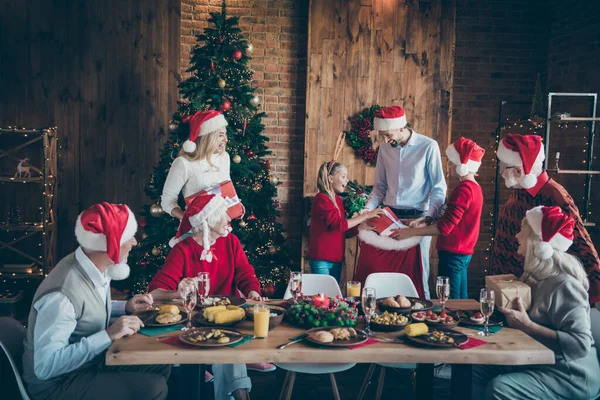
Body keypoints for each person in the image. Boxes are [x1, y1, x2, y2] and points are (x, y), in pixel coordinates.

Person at [22, 203, 171, 400]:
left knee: (163, 361)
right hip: (58, 384)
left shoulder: (91, 267)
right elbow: (46, 367)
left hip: (86, 364)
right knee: (155, 388)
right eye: (128, 237)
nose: (134, 243)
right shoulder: (61, 296)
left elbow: (84, 310)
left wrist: (125, 307)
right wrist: (109, 334)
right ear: (108, 245)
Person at [148, 194, 269, 400]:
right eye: (221, 215)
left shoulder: (231, 241)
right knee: (226, 343)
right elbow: (154, 292)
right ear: (208, 220)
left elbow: (244, 273)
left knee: (228, 340)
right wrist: (177, 292)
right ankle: (238, 395)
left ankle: (239, 395)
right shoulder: (182, 250)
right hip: (194, 319)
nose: (227, 219)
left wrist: (252, 290)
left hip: (227, 317)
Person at [473, 205, 600, 399]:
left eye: (522, 230)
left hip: (570, 375)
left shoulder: (565, 285)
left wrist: (527, 326)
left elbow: (580, 345)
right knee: (474, 367)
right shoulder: (531, 276)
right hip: (536, 359)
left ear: (537, 242)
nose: (516, 236)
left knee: (500, 388)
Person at [492, 133, 600, 305]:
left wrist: (597, 293)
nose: (501, 172)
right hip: (509, 285)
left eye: (503, 167)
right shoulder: (520, 189)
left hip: (535, 292)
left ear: (520, 171)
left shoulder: (555, 195)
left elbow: (582, 244)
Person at [356, 105, 447, 298]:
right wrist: (367, 209)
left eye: (387, 134)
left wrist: (429, 218)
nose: (385, 140)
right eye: (382, 135)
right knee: (386, 272)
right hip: (389, 217)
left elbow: (439, 187)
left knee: (419, 275)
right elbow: (379, 188)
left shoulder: (428, 146)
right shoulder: (384, 149)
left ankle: (422, 314)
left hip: (418, 220)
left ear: (401, 127)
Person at [392, 137, 484, 299]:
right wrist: (423, 221)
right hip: (464, 252)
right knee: (461, 299)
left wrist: (410, 232)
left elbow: (444, 228)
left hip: (453, 253)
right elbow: (449, 219)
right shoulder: (475, 188)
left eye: (451, 162)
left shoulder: (464, 190)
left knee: (450, 302)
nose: (449, 165)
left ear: (462, 165)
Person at [308, 161, 383, 281]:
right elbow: (339, 225)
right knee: (323, 298)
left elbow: (343, 231)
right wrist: (365, 215)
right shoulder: (322, 198)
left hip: (337, 259)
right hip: (321, 260)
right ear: (330, 179)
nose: (347, 180)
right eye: (343, 176)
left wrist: (359, 227)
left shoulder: (337, 200)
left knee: (333, 297)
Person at [161, 109, 231, 221]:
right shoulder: (184, 163)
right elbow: (167, 201)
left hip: (221, 228)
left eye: (225, 134)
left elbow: (227, 189)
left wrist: (236, 204)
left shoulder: (224, 157)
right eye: (220, 135)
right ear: (206, 137)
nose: (225, 139)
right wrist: (187, 220)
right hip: (196, 232)